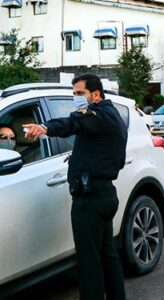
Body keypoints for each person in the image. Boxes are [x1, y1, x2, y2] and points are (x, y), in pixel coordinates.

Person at [23, 74, 127, 300]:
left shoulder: (96, 114)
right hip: (105, 194)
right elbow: (109, 153)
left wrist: (44, 127)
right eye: (74, 94)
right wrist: (80, 158)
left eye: (80, 93)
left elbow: (71, 123)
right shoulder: (113, 116)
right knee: (107, 256)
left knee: (89, 263)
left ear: (95, 94)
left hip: (89, 200)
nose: (76, 98)